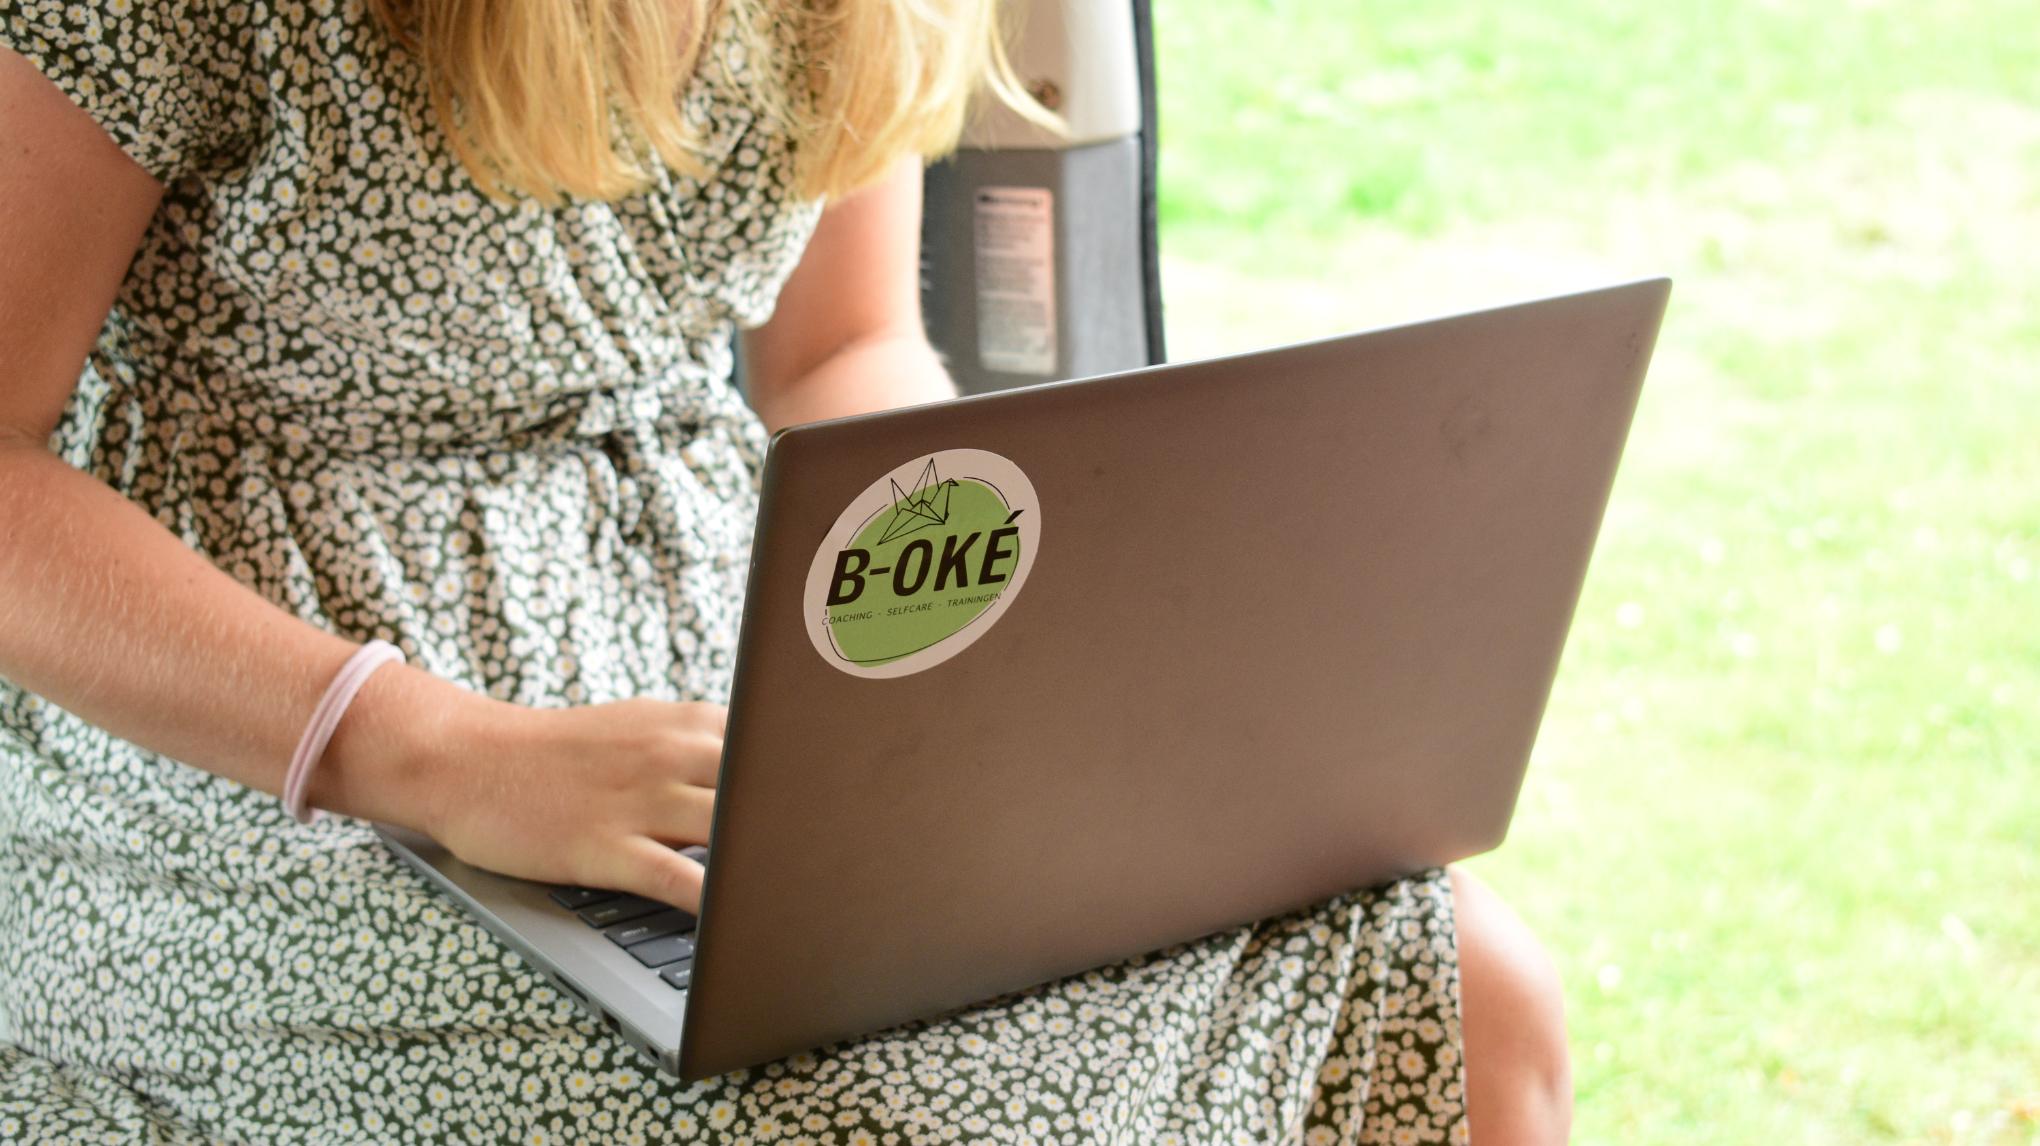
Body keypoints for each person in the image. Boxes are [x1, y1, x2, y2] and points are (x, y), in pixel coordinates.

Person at [0, 0, 1570, 1140]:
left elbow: (841, 356)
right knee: (850, 1113)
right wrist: (439, 752)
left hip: (716, 637)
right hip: (259, 723)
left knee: (1463, 982)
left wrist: (1011, 653)